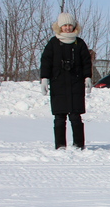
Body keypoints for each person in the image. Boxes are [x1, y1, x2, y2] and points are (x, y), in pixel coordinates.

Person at [39, 13, 93, 149]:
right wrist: (44, 79)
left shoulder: (79, 43)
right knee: (59, 117)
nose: (67, 28)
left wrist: (87, 77)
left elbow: (86, 62)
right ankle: (60, 145)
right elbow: (46, 62)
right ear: (60, 27)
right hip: (59, 84)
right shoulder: (53, 43)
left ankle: (78, 145)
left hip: (76, 84)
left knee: (75, 117)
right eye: (65, 25)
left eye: (70, 25)